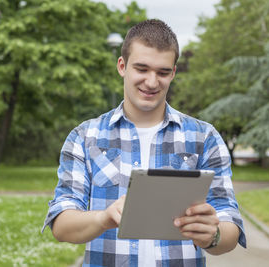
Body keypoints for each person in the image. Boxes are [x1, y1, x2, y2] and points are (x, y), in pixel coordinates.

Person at [42, 19, 246, 267]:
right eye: (142, 69)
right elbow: (62, 225)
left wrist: (212, 235)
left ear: (173, 73)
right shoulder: (85, 136)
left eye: (162, 72)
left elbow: (230, 227)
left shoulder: (204, 137)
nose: (152, 82)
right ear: (122, 66)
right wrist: (105, 218)